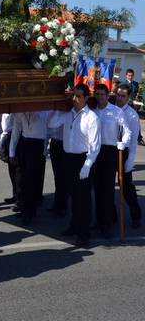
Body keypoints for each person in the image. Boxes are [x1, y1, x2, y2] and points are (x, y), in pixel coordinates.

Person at [49, 84, 101, 247]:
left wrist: (87, 165)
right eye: (73, 95)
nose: (74, 99)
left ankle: (84, 233)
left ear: (86, 98)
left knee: (83, 198)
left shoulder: (92, 118)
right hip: (68, 159)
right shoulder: (67, 114)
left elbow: (95, 146)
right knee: (73, 195)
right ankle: (74, 225)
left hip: (84, 160)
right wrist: (58, 108)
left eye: (78, 96)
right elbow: (52, 124)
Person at [92, 84, 131, 239]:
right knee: (97, 188)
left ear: (108, 96)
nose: (100, 97)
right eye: (97, 94)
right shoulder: (92, 111)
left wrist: (124, 143)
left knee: (107, 189)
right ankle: (99, 219)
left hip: (110, 151)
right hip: (95, 152)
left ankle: (106, 225)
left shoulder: (116, 112)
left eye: (102, 94)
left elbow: (127, 131)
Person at [9, 111, 50, 225]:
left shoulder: (43, 111)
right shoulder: (20, 112)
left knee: (29, 179)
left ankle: (27, 212)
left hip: (37, 144)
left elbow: (44, 125)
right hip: (24, 142)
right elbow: (16, 130)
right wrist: (12, 151)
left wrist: (45, 149)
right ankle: (27, 208)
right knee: (23, 177)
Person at [115, 84, 142, 229]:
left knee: (126, 186)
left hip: (124, 152)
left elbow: (132, 142)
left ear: (129, 97)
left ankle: (136, 215)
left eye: (123, 96)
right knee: (104, 186)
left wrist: (130, 159)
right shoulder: (110, 108)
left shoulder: (132, 115)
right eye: (118, 95)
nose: (119, 98)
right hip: (109, 149)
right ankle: (109, 215)